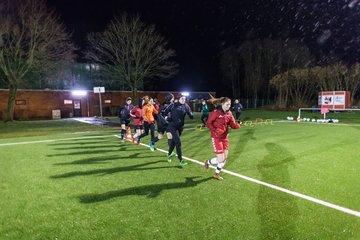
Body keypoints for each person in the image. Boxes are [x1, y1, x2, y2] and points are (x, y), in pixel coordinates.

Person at [204, 97, 240, 180]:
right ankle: (208, 162)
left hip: (225, 138)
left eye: (230, 105)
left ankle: (216, 173)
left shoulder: (229, 113)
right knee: (221, 159)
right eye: (227, 104)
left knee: (224, 158)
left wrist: (236, 126)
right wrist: (216, 130)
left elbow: (232, 123)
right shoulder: (215, 113)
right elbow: (208, 123)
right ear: (222, 104)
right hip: (216, 138)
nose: (229, 106)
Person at [165, 95, 194, 166]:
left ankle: (168, 154)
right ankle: (181, 160)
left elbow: (191, 115)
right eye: (182, 98)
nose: (184, 100)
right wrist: (167, 117)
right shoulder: (173, 105)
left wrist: (191, 115)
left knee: (174, 142)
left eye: (185, 99)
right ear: (178, 99)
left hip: (180, 127)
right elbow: (165, 111)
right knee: (178, 142)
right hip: (172, 126)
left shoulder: (186, 106)